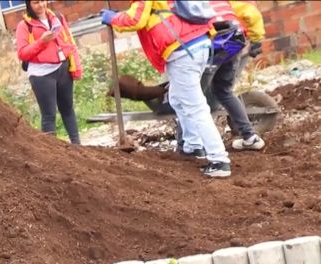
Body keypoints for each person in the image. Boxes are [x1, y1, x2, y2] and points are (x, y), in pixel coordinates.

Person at [101, 1, 232, 178]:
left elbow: (135, 20)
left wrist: (113, 18)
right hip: (198, 42)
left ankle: (219, 160)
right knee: (177, 98)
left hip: (182, 50)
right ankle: (193, 146)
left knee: (195, 107)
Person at [15, 0, 83, 144]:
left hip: (63, 68)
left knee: (68, 109)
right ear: (29, 5)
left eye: (43, 1)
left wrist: (76, 66)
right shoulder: (24, 26)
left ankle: (78, 147)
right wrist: (41, 42)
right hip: (42, 75)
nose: (41, 5)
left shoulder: (57, 17)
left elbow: (70, 42)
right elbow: (22, 53)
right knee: (49, 115)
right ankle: (51, 155)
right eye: (36, 2)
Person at [208, 0, 267, 151]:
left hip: (210, 45)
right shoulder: (227, 3)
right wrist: (256, 40)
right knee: (224, 91)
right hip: (233, 43)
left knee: (191, 95)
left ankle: (194, 145)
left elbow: (250, 13)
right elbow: (251, 14)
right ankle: (249, 136)